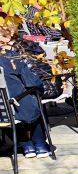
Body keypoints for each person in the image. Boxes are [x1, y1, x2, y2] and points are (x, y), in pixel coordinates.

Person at [0, 24, 52, 158]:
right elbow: (32, 82)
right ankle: (39, 145)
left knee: (19, 101)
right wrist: (38, 89)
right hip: (16, 106)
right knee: (31, 100)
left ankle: (27, 145)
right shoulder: (12, 57)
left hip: (2, 112)